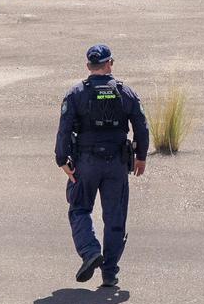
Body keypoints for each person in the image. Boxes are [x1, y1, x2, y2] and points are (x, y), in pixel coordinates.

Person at [53, 44, 149, 289]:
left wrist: (62, 160)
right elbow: (141, 125)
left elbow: (64, 129)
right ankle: (109, 273)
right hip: (117, 164)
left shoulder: (76, 93)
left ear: (88, 66)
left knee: (79, 209)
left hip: (86, 163)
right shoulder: (125, 92)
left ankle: (90, 251)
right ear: (110, 64)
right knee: (115, 217)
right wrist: (141, 157)